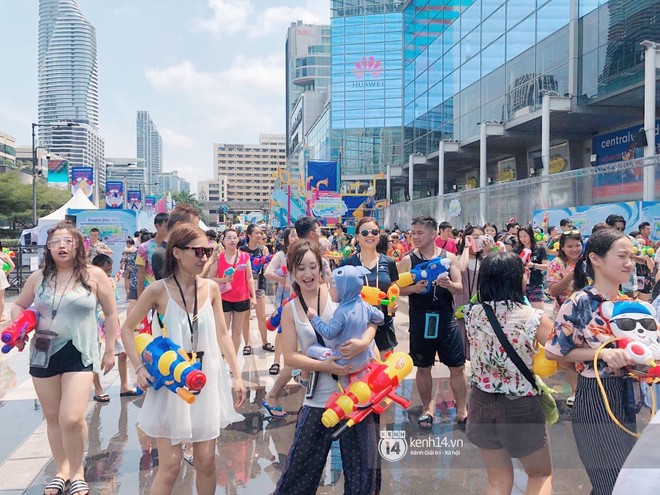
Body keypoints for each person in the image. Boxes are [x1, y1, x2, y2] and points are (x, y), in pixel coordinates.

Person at [121, 224, 246, 495]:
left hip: (206, 380)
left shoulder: (211, 288)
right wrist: (139, 367)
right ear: (177, 252)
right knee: (171, 465)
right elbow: (127, 329)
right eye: (198, 251)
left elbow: (223, 335)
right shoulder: (158, 290)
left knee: (207, 461)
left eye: (209, 251)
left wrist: (236, 375)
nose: (204, 257)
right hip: (171, 383)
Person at [11, 221, 119, 495]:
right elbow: (19, 305)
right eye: (56, 241)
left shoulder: (94, 275)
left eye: (67, 241)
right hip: (43, 354)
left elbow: (110, 312)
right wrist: (19, 328)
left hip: (79, 352)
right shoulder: (39, 277)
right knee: (52, 417)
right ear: (48, 247)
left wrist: (109, 350)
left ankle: (78, 472)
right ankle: (61, 471)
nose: (62, 245)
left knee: (71, 417)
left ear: (78, 245)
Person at [274, 240, 380, 494]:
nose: (308, 274)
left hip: (358, 395)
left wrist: (364, 342)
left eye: (313, 267)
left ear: (322, 268)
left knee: (362, 472)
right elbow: (290, 357)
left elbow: (371, 318)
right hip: (318, 398)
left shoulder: (337, 293)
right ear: (292, 272)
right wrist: (325, 363)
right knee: (299, 470)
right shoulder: (290, 310)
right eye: (301, 268)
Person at [545, 228, 638, 495]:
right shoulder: (579, 302)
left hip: (628, 396)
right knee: (610, 483)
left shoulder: (628, 303)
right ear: (595, 259)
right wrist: (601, 354)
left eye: (631, 257)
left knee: (623, 481)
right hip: (595, 395)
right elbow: (553, 352)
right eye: (622, 256)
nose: (629, 263)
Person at [466, 251, 553, 495]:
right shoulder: (534, 317)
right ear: (514, 278)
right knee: (540, 474)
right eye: (523, 272)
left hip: (481, 402)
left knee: (497, 481)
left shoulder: (472, 313)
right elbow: (559, 352)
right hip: (520, 405)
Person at [397, 215, 467, 430]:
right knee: (423, 367)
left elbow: (459, 287)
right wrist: (413, 289)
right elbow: (396, 288)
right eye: (413, 233)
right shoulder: (409, 260)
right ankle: (427, 409)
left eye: (420, 233)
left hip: (446, 320)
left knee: (457, 366)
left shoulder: (449, 257)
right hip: (420, 321)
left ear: (433, 234)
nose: (415, 237)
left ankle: (463, 410)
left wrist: (448, 284)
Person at [306, 264, 383, 381]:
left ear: (343, 289)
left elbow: (329, 333)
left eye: (332, 287)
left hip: (344, 362)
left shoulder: (341, 313)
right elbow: (380, 317)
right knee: (371, 341)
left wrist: (314, 318)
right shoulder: (364, 305)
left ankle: (305, 378)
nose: (329, 290)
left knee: (311, 349)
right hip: (363, 358)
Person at [342, 217, 399, 356]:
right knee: (360, 373)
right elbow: (340, 295)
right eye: (365, 232)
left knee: (385, 373)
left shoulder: (389, 262)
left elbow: (394, 288)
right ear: (357, 236)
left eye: (374, 231)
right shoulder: (348, 263)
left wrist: (394, 303)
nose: (370, 235)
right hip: (357, 328)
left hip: (384, 325)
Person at [90, 254, 136, 401]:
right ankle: (98, 389)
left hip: (108, 321)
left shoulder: (110, 282)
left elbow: (112, 307)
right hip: (93, 321)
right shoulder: (89, 281)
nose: (108, 274)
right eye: (105, 271)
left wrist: (116, 321)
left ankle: (124, 386)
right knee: (93, 355)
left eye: (109, 271)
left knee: (122, 352)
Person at [203, 228, 255, 355]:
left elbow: (249, 277)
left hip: (242, 298)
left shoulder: (244, 256)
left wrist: (252, 296)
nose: (232, 240)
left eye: (234, 238)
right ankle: (222, 355)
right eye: (229, 238)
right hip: (224, 298)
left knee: (237, 331)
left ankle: (233, 358)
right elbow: (210, 278)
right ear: (223, 240)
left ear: (239, 239)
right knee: (224, 330)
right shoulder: (219, 258)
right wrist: (224, 280)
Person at [264, 226, 298, 375]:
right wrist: (283, 280)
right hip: (284, 297)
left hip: (300, 297)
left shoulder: (304, 253)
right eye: (292, 235)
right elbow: (267, 272)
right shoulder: (280, 255)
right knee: (282, 329)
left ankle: (292, 362)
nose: (296, 238)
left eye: (297, 235)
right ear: (286, 239)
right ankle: (277, 361)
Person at [240, 224, 274, 354]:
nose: (259, 235)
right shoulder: (242, 250)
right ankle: (247, 344)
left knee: (261, 315)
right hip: (244, 286)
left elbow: (267, 266)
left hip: (259, 285)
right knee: (245, 316)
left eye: (260, 233)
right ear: (249, 235)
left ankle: (265, 342)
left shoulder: (263, 249)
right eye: (256, 233)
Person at [151, 205, 200, 281]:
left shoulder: (182, 249)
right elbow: (179, 284)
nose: (196, 232)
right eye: (192, 228)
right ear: (178, 226)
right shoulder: (161, 253)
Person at [515, 225, 548, 310]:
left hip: (535, 283)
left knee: (538, 311)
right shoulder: (517, 250)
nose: (523, 239)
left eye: (525, 236)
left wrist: (534, 265)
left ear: (531, 235)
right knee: (523, 311)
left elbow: (547, 267)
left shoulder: (539, 249)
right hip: (521, 284)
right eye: (520, 236)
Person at [136, 212, 169, 297]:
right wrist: (140, 297)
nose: (169, 229)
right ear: (157, 226)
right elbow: (141, 274)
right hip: (151, 292)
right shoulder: (144, 247)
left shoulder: (174, 247)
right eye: (166, 226)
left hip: (169, 291)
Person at [0, 241, 15, 323]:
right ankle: (0, 316)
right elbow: (12, 266)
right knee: (1, 297)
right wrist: (7, 273)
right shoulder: (3, 255)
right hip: (0, 274)